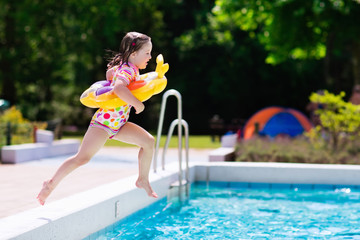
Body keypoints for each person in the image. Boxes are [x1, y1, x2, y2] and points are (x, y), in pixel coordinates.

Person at [37, 32, 158, 205]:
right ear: (133, 54)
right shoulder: (127, 69)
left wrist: (113, 73)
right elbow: (118, 88)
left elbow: (110, 74)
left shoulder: (130, 68)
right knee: (82, 158)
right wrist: (138, 104)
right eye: (147, 53)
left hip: (120, 124)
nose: (150, 56)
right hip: (103, 124)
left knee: (148, 142)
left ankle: (143, 179)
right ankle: (50, 184)